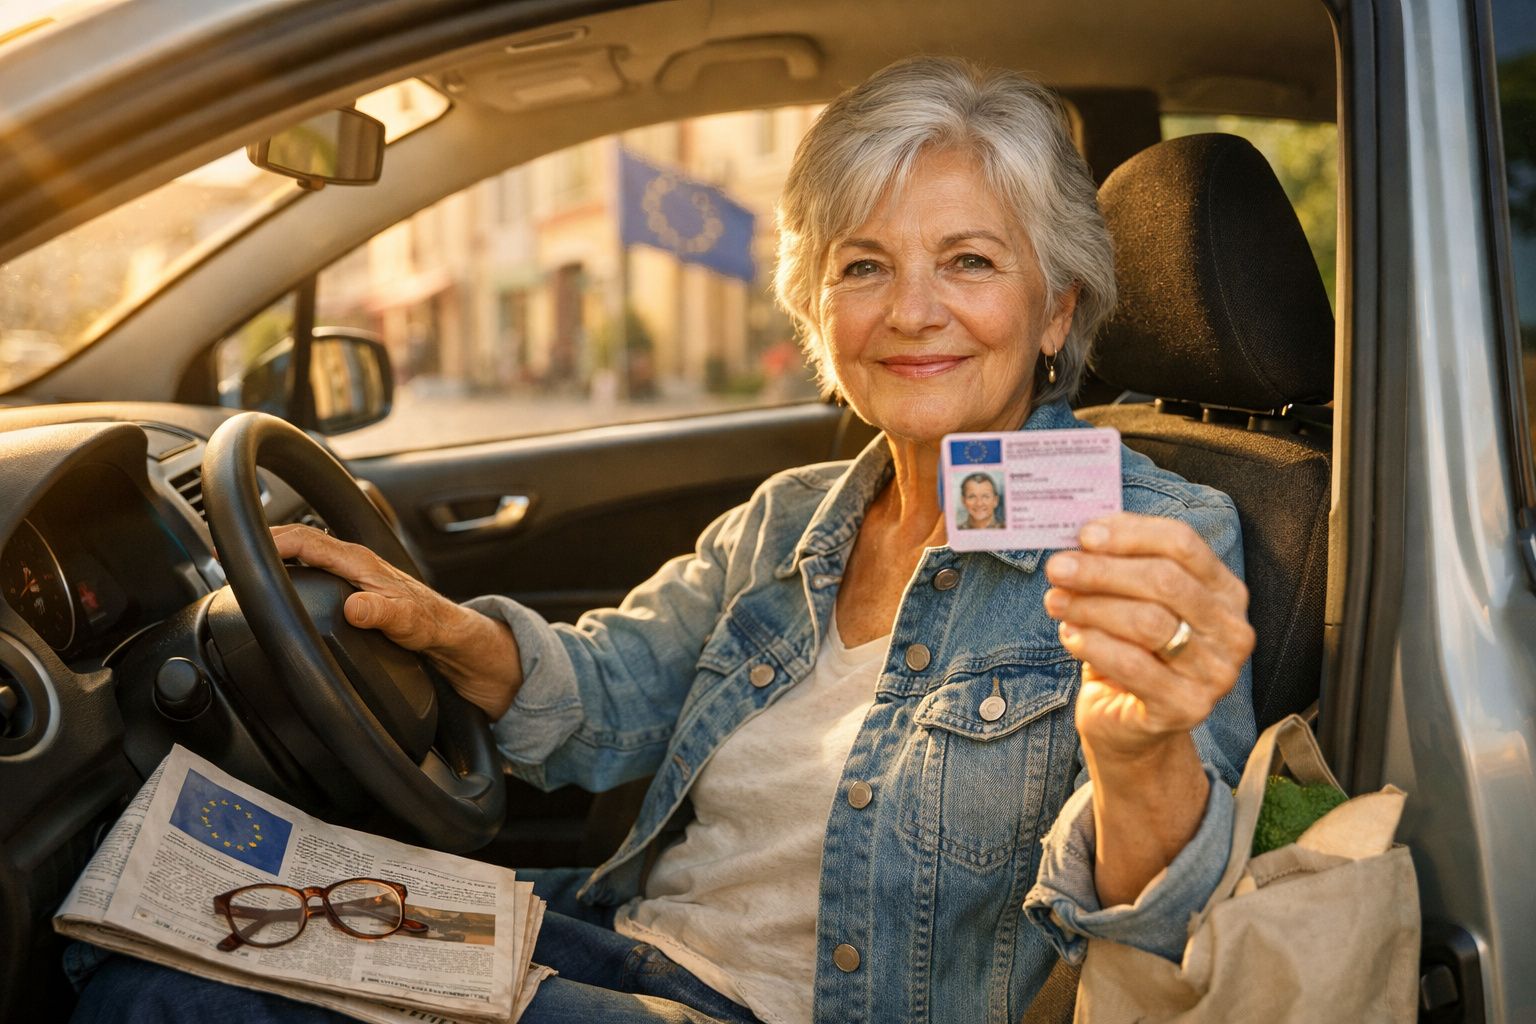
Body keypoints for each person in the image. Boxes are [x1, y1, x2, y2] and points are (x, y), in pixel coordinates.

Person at [72, 56, 1256, 1024]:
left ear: (1055, 309)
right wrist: (441, 626)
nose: (909, 310)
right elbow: (608, 693)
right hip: (623, 940)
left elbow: (1160, 953)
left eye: (970, 262)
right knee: (157, 917)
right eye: (864, 266)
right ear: (817, 307)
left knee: (159, 1003)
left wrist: (1141, 753)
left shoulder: (1149, 536)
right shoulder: (792, 516)